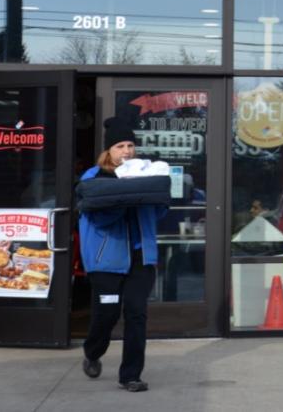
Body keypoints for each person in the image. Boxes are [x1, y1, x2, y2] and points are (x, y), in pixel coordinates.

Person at [78, 117, 166, 393]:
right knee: (107, 313)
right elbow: (97, 218)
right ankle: (93, 352)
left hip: (141, 257)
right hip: (106, 260)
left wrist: (155, 196)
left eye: (130, 145)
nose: (126, 151)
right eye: (120, 146)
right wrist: (125, 198)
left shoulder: (145, 174)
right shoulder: (94, 178)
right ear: (109, 150)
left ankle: (130, 375)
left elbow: (158, 211)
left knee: (136, 313)